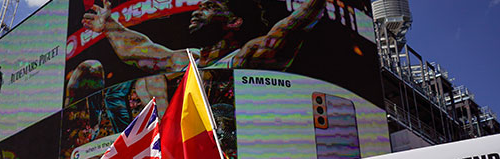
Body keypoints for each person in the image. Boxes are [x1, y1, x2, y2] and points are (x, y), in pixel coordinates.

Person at [78, 0, 325, 73]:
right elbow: (136, 50)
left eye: (210, 7)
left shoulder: (246, 57)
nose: (197, 11)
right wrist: (110, 26)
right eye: (200, 6)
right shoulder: (185, 60)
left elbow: (293, 26)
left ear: (234, 21)